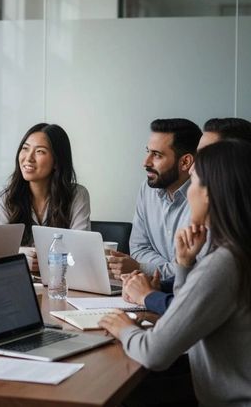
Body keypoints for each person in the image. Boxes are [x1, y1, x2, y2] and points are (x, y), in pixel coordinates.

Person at [100, 139, 251, 406]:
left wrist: (123, 329)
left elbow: (154, 354)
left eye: (193, 182)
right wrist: (183, 265)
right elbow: (188, 316)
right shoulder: (239, 252)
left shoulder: (224, 264)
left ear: (210, 193)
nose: (189, 192)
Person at [122, 117, 251, 315]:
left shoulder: (230, 250)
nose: (193, 169)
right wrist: (154, 285)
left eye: (204, 156)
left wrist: (147, 294)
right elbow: (195, 289)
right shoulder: (226, 225)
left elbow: (191, 308)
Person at [107, 118, 202, 280]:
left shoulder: (205, 198)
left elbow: (198, 270)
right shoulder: (148, 189)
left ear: (185, 162)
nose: (146, 162)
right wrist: (170, 268)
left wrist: (143, 268)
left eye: (157, 155)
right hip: (153, 290)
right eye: (148, 152)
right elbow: (138, 248)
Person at [0, 123, 90, 271]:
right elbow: (3, 251)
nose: (28, 158)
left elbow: (81, 253)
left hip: (63, 283)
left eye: (40, 151)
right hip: (20, 279)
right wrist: (23, 256)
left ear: (56, 162)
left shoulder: (77, 195)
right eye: (25, 148)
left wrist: (44, 260)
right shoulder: (7, 196)